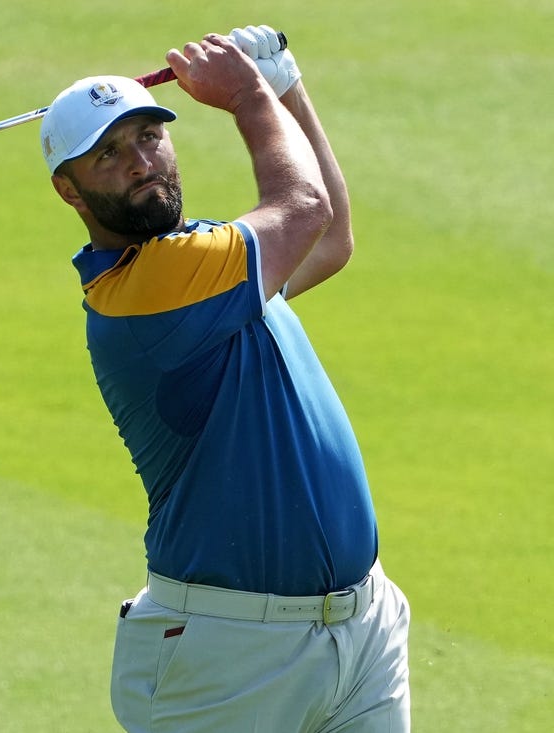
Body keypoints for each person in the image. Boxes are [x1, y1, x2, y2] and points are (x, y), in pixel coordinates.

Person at [40, 25, 412, 733]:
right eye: (109, 154)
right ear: (70, 190)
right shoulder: (149, 289)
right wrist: (248, 95)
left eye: (149, 137)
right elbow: (305, 211)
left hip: (361, 631)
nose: (141, 162)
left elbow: (329, 241)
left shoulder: (205, 262)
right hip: (232, 654)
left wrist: (285, 85)